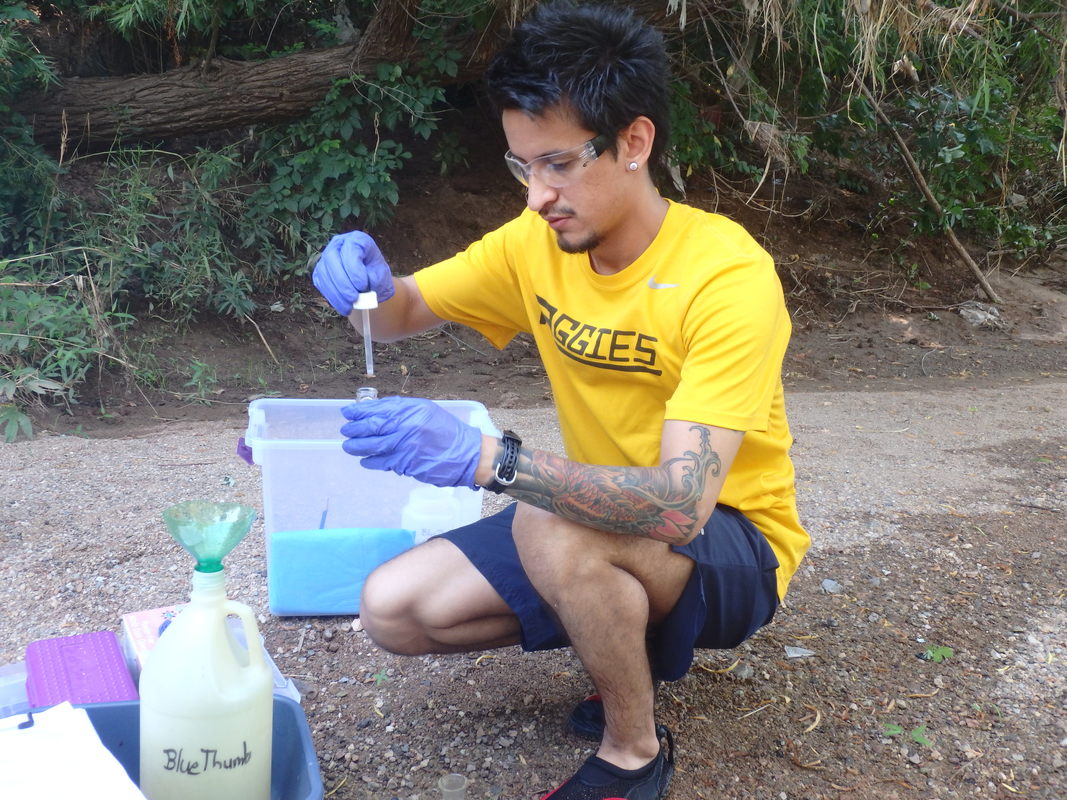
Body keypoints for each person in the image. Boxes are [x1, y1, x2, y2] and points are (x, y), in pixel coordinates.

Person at [312, 2, 809, 798]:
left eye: (558, 164)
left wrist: (486, 460)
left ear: (634, 142)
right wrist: (366, 287)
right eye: (522, 167)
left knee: (545, 514)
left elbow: (682, 506)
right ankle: (614, 628)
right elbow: (405, 309)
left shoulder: (725, 277)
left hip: (729, 541)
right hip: (588, 521)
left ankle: (631, 753)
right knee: (394, 609)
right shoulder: (533, 243)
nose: (537, 194)